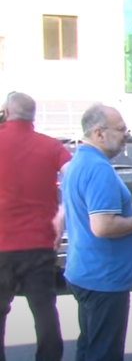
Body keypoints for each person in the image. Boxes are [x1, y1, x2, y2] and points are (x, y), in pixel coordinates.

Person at [61, 104, 132, 361]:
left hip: (86, 272)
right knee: (104, 353)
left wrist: (131, 215)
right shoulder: (98, 168)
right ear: (99, 134)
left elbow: (88, 213)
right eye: (121, 129)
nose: (126, 134)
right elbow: (102, 226)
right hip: (103, 278)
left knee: (89, 347)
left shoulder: (78, 161)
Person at [0, 92, 70, 361]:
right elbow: (76, 177)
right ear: (33, 116)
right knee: (44, 310)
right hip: (39, 244)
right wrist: (62, 213)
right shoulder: (51, 146)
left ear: (6, 112)